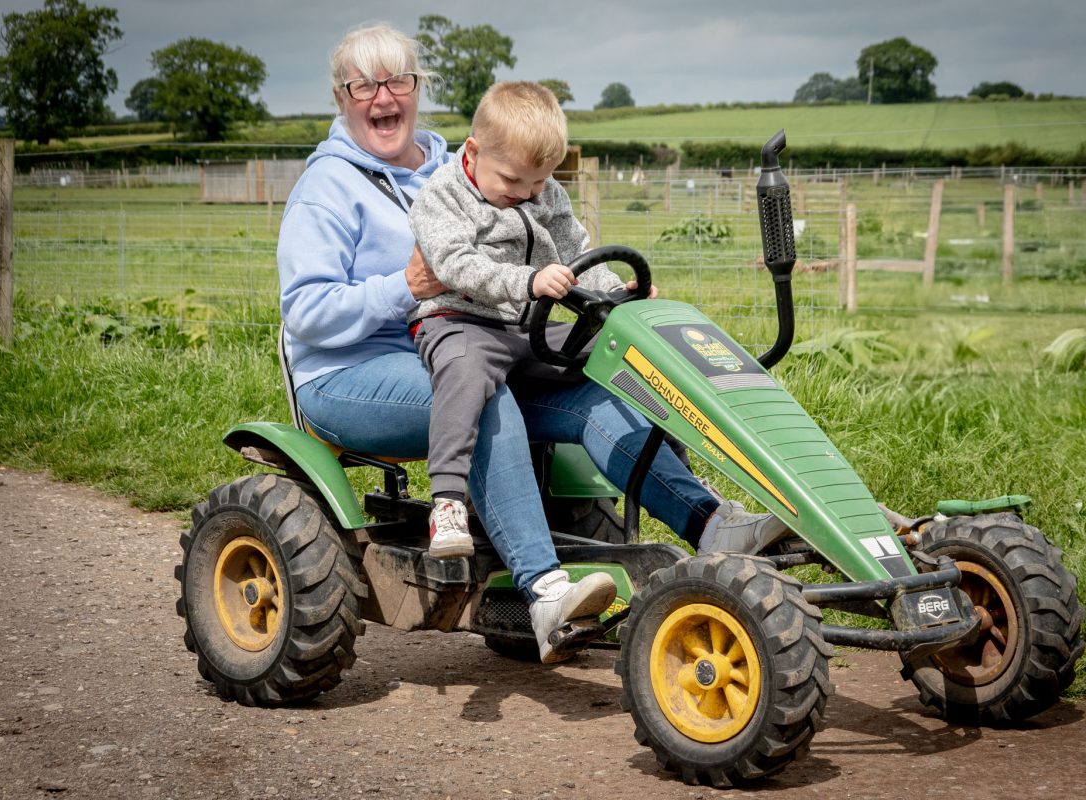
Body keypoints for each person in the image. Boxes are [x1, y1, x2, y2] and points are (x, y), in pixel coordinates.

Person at [276, 22, 788, 664]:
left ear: (416, 89)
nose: (383, 98)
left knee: (594, 393)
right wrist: (401, 287)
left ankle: (709, 521)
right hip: (351, 374)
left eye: (397, 81)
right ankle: (544, 589)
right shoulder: (327, 189)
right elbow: (304, 313)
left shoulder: (471, 168)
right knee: (486, 396)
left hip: (478, 345)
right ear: (340, 96)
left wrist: (612, 293)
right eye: (364, 85)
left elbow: (557, 246)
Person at [407, 81, 629, 562]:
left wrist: (618, 296)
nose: (526, 194)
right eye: (512, 181)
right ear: (473, 150)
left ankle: (691, 490)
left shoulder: (547, 195)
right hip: (461, 318)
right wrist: (526, 281)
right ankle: (446, 501)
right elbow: (453, 264)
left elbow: (579, 253)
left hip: (530, 323)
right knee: (463, 369)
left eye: (538, 183)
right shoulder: (442, 196)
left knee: (624, 348)